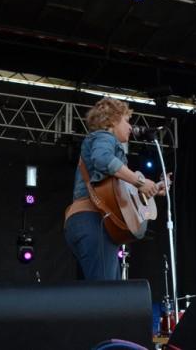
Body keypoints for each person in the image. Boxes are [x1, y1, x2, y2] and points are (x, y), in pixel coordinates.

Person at [64, 97, 166, 280]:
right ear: (111, 120)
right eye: (126, 121)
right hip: (93, 220)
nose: (129, 127)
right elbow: (102, 159)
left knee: (111, 295)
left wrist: (152, 189)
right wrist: (141, 183)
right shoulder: (104, 137)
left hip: (91, 222)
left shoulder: (107, 145)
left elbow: (122, 194)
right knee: (105, 298)